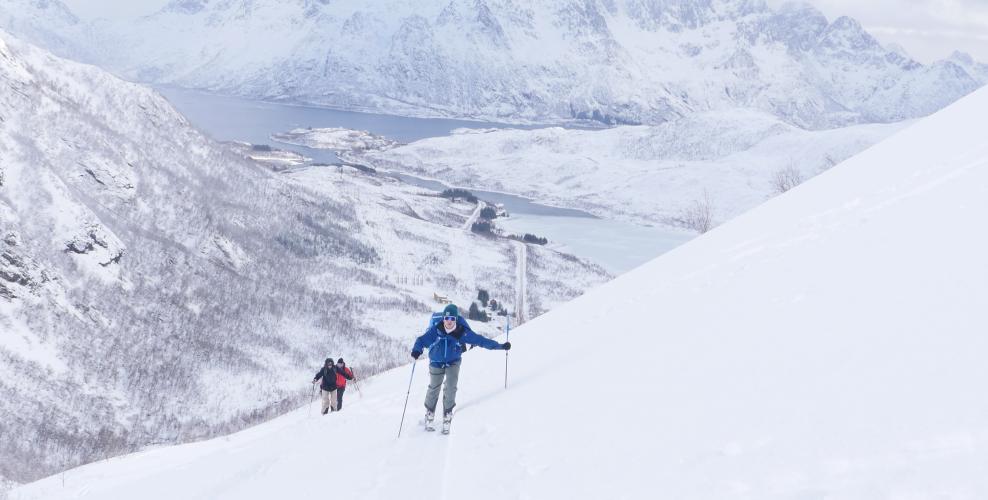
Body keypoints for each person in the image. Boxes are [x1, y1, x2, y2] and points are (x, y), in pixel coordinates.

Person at [411, 304, 510, 430]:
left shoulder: (462, 332)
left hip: (453, 361)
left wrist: (501, 346)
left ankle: (447, 413)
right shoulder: (436, 330)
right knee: (434, 387)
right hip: (436, 360)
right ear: (443, 319)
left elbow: (481, 341)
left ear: (456, 319)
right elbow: (421, 340)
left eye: (452, 319)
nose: (449, 321)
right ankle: (429, 413)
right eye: (447, 318)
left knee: (451, 387)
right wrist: (416, 350)